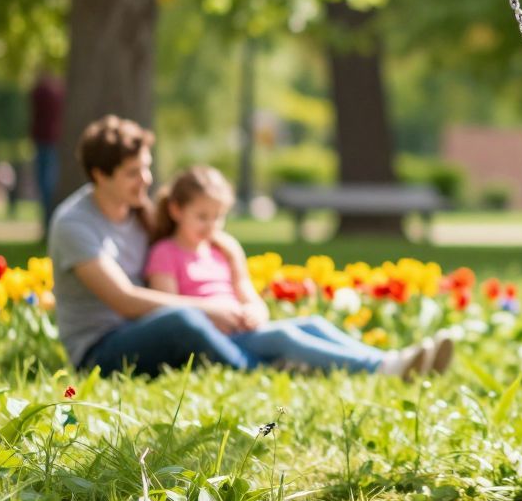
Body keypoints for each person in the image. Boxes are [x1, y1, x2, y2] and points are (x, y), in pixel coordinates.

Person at [49, 115, 446, 377]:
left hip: (150, 331)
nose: (146, 180)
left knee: (306, 324)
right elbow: (124, 300)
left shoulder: (137, 211)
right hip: (103, 352)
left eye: (147, 167)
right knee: (185, 321)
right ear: (100, 174)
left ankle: (389, 362)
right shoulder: (75, 224)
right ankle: (275, 366)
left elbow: (191, 235)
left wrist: (232, 265)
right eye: (133, 173)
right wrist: (211, 308)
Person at [145, 164, 448, 378]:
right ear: (176, 210)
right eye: (201, 217)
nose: (211, 226)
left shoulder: (222, 248)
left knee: (313, 322)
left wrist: (256, 311)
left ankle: (391, 359)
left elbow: (247, 293)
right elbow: (169, 312)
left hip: (246, 329)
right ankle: (383, 368)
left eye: (218, 217)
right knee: (286, 336)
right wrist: (215, 314)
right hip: (217, 340)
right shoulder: (165, 253)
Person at [29, 69, 64, 233]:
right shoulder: (59, 91)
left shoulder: (42, 91)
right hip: (52, 140)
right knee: (47, 184)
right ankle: (48, 222)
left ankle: (48, 223)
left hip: (44, 141)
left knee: (45, 185)